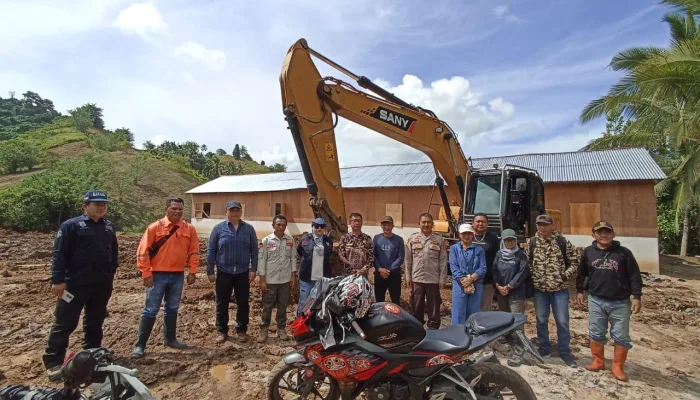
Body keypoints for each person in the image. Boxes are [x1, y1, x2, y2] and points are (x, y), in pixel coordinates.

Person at [43, 190, 119, 381]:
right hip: (75, 284)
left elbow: (114, 253)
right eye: (96, 204)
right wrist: (57, 280)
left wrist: (110, 274)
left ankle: (92, 355)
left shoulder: (108, 227)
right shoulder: (71, 226)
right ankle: (54, 362)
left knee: (95, 321)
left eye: (104, 204)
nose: (101, 207)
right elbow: (59, 254)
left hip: (100, 285)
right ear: (85, 206)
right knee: (65, 323)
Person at [132, 197, 199, 358]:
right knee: (150, 310)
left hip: (177, 275)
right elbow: (143, 251)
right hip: (157, 275)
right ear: (166, 210)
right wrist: (146, 273)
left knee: (172, 308)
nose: (177, 212)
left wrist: (193, 271)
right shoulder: (155, 228)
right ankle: (140, 345)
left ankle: (170, 339)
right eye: (174, 209)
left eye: (180, 209)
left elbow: (194, 251)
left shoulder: (189, 229)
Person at [576, 221, 643, 382]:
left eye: (607, 232)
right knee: (596, 332)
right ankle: (598, 361)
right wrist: (580, 291)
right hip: (596, 300)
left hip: (620, 302)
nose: (603, 235)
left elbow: (634, 276)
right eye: (600, 232)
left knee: (621, 335)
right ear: (593, 235)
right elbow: (583, 273)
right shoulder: (588, 252)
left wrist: (637, 296)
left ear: (613, 234)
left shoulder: (623, 253)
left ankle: (617, 366)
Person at [525, 214, 579, 367]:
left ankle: (565, 352)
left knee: (562, 321)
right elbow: (527, 262)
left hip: (559, 290)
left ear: (552, 226)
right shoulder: (532, 242)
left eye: (546, 224)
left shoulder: (562, 242)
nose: (542, 227)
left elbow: (575, 262)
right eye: (539, 224)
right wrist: (534, 277)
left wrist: (563, 275)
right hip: (540, 290)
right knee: (541, 321)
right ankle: (544, 349)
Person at [207, 201, 258, 343]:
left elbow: (254, 250)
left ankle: (241, 330)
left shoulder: (248, 229)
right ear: (226, 212)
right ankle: (221, 331)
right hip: (224, 272)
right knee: (221, 302)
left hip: (242, 272)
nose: (234, 213)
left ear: (241, 212)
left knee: (243, 302)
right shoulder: (218, 229)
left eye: (237, 210)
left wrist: (253, 269)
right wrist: (210, 270)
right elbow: (211, 250)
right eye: (232, 210)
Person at [257, 215, 298, 343]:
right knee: (267, 306)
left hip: (285, 280)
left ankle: (281, 329)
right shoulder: (266, 241)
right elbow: (261, 260)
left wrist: (293, 277)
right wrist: (262, 279)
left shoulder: (290, 240)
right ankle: (264, 330)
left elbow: (293, 259)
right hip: (270, 280)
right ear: (273, 225)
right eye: (278, 225)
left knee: (282, 306)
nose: (281, 227)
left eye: (283, 225)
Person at [493, 228, 530, 366]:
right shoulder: (499, 254)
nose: (509, 242)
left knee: (517, 322)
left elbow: (522, 273)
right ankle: (508, 344)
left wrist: (509, 286)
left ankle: (520, 350)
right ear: (503, 241)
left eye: (512, 240)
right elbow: (494, 270)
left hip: (516, 293)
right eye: (506, 240)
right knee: (505, 318)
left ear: (515, 241)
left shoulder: (521, 255)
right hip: (501, 292)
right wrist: (498, 285)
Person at [405, 213, 448, 330]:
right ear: (419, 223)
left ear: (433, 224)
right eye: (423, 222)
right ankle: (417, 330)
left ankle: (433, 330)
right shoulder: (412, 239)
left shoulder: (439, 239)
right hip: (417, 278)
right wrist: (408, 277)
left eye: (429, 222)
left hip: (433, 279)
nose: (426, 224)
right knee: (416, 306)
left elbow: (443, 261)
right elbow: (408, 260)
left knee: (433, 307)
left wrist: (442, 279)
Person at [449, 223, 486, 325]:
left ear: (473, 234)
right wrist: (464, 281)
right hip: (459, 284)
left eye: (469, 233)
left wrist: (471, 279)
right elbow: (454, 267)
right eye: (464, 233)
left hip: (476, 283)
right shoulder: (454, 249)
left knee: (473, 312)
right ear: (459, 235)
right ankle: (457, 337)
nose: (466, 236)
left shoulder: (479, 250)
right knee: (458, 312)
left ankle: (471, 337)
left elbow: (482, 267)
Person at [296, 217, 333, 314]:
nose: (319, 228)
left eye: (322, 226)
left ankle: (313, 324)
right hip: (307, 278)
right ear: (313, 227)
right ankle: (299, 323)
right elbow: (299, 252)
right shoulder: (305, 240)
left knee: (318, 302)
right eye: (317, 226)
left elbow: (329, 255)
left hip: (321, 279)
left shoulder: (328, 241)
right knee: (304, 301)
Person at [472, 213, 501, 312]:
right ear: (473, 223)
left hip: (487, 281)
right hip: (468, 280)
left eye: (483, 221)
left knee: (484, 309)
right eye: (478, 221)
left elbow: (497, 260)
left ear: (487, 224)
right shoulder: (467, 236)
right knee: (470, 308)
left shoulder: (493, 239)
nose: (480, 224)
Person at [372, 216, 404, 304]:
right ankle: (380, 317)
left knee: (395, 300)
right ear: (381, 226)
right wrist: (379, 269)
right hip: (379, 274)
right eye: (384, 225)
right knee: (379, 300)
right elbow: (373, 256)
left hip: (394, 275)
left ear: (392, 226)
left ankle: (395, 317)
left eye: (389, 224)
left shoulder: (399, 240)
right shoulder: (376, 238)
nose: (387, 227)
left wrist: (388, 270)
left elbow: (400, 257)